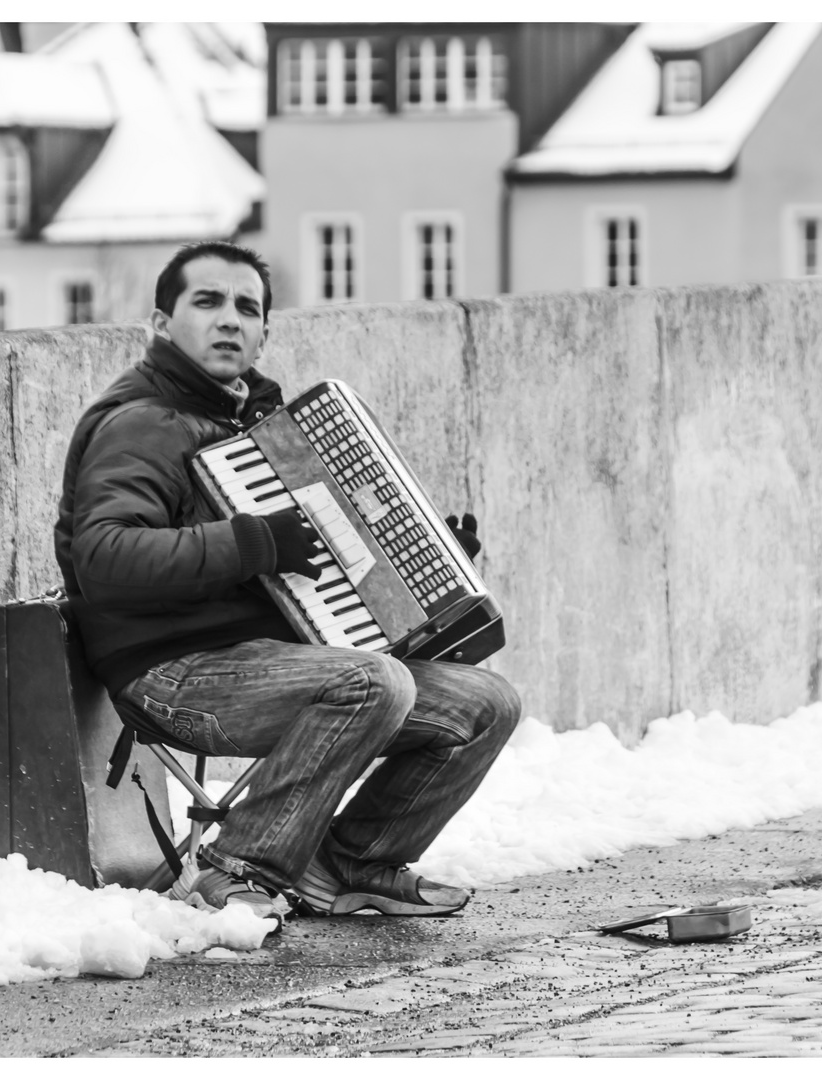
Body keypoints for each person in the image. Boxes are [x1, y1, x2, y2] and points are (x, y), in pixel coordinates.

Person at [53, 241, 521, 927]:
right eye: (207, 302)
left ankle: (350, 865)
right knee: (373, 682)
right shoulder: (143, 423)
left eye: (247, 308)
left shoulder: (261, 425)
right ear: (160, 323)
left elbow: (314, 569)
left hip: (258, 661)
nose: (229, 321)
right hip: (168, 674)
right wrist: (255, 542)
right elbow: (104, 556)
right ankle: (234, 867)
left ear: (266, 331)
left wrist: (420, 565)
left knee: (486, 703)